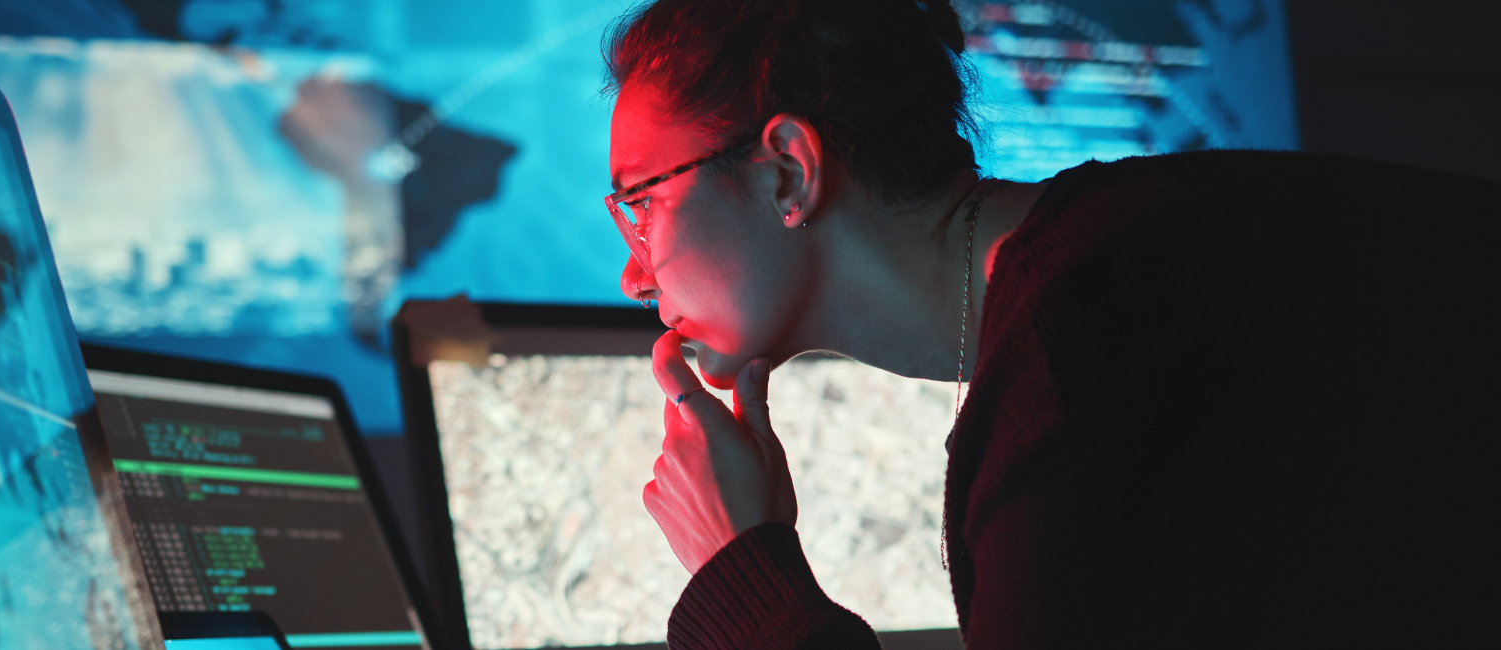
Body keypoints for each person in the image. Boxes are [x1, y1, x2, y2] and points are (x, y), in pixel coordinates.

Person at [603, 1, 1493, 648]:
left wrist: (743, 574)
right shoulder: (1132, 238)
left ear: (788, 172)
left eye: (641, 204)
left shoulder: (1074, 390)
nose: (633, 275)